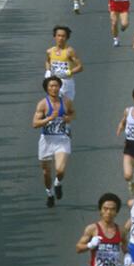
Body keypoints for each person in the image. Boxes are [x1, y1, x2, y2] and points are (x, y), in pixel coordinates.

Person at [32, 76, 75, 207]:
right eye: (51, 86)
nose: (54, 88)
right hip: (47, 140)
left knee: (60, 169)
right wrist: (49, 118)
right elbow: (35, 124)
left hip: (62, 139)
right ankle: (49, 193)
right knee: (46, 173)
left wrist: (68, 118)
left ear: (60, 87)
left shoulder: (66, 102)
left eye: (56, 85)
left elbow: (72, 113)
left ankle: (58, 183)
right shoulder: (43, 104)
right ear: (47, 88)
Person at [45, 25, 83, 100]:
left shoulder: (70, 51)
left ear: (67, 38)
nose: (60, 38)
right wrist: (48, 71)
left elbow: (80, 67)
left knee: (67, 108)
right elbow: (47, 61)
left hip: (67, 82)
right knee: (56, 106)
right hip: (55, 83)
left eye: (63, 36)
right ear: (54, 37)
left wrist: (68, 72)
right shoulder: (50, 51)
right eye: (58, 36)